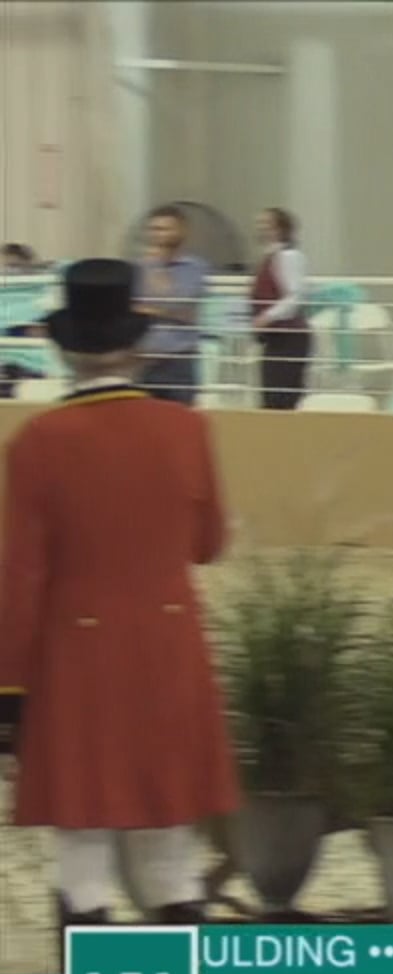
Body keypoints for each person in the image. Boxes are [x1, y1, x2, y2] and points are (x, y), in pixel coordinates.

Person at [0, 259, 239, 934]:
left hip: (77, 662)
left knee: (84, 849)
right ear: (135, 346)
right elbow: (208, 544)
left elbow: (21, 579)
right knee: (170, 846)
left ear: (64, 347)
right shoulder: (187, 430)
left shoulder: (37, 444)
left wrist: (8, 692)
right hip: (169, 650)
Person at [135, 205, 209, 405]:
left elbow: (182, 306)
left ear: (181, 231)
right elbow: (129, 309)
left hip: (179, 359)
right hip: (144, 360)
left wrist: (156, 268)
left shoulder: (194, 267)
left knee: (181, 422)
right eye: (153, 229)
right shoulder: (136, 268)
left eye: (164, 229)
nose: (156, 234)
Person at [251, 207, 312, 411]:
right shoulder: (271, 257)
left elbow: (295, 295)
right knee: (271, 394)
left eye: (267, 224)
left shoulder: (288, 256)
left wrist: (267, 316)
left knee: (283, 396)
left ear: (280, 229)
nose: (261, 229)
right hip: (276, 336)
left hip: (290, 336)